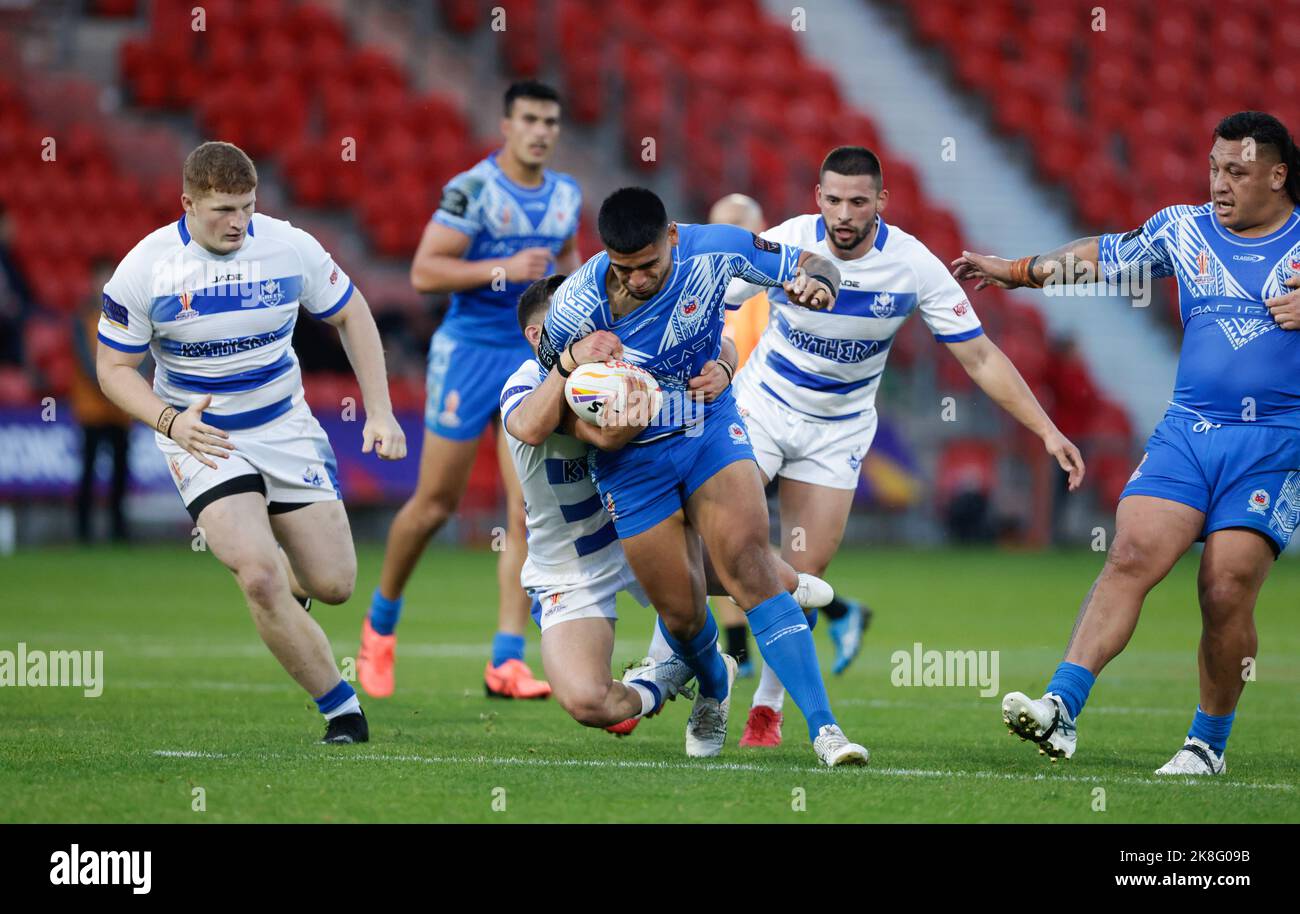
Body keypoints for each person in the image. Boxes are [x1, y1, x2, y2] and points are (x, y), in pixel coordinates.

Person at [953, 110, 1300, 774]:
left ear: (1278, 177)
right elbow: (1102, 255)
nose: (1219, 185)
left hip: (1274, 443)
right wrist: (1020, 270)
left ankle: (1207, 744)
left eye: (1238, 172)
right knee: (1133, 550)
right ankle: (1061, 707)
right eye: (1213, 169)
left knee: (1224, 589)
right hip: (1189, 432)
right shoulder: (1185, 228)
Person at [723, 146, 1084, 748]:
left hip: (836, 433)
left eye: (858, 201)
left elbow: (980, 355)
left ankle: (768, 706)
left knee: (806, 569)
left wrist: (1046, 429)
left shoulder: (913, 265)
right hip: (760, 409)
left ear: (881, 203)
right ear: (818, 198)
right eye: (833, 199)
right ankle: (690, 680)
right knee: (724, 538)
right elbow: (714, 302)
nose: (843, 213)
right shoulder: (783, 243)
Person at [539, 186, 869, 766]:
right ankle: (715, 687)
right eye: (625, 269)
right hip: (630, 463)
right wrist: (577, 374)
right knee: (684, 614)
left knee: (748, 566)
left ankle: (827, 732)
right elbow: (550, 387)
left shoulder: (715, 251)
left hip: (707, 430)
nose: (638, 280)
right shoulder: (575, 304)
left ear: (671, 237)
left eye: (648, 265)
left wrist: (820, 286)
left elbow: (811, 263)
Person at [95, 141, 406, 744]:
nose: (238, 222)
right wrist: (168, 422)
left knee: (334, 585)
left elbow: (352, 313)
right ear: (186, 203)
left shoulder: (287, 246)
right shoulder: (145, 268)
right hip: (202, 436)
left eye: (246, 206)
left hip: (285, 427)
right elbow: (112, 370)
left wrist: (381, 413)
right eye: (221, 210)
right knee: (257, 576)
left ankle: (296, 582)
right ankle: (341, 709)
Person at [507, 275, 837, 738]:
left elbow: (716, 341)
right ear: (539, 337)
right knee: (592, 704)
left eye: (586, 327)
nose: (589, 340)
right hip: (570, 566)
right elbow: (534, 426)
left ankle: (778, 691)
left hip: (638, 531)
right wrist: (575, 372)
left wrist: (723, 366)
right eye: (569, 331)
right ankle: (660, 680)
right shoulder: (525, 385)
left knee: (771, 581)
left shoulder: (618, 359)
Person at [359, 80, 582, 701]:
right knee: (435, 504)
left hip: (531, 358)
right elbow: (425, 271)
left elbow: (569, 269)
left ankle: (506, 661)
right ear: (506, 125)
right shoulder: (474, 190)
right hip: (468, 356)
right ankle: (380, 625)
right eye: (530, 119)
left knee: (526, 512)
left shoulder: (566, 195)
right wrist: (500, 271)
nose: (541, 131)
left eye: (550, 121)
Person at [708, 190, 873, 686]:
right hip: (741, 417)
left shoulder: (769, 286)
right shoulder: (721, 284)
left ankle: (740, 658)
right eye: (723, 227)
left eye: (741, 227)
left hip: (766, 419)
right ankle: (837, 610)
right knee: (729, 538)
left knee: (729, 537)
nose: (731, 239)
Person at [72, 260, 134, 543]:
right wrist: (114, 384)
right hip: (92, 410)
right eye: (101, 278)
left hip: (121, 410)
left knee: (121, 474)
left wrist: (123, 385)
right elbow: (85, 361)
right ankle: (83, 532)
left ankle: (118, 531)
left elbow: (140, 357)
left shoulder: (126, 316)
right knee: (88, 471)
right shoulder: (82, 317)